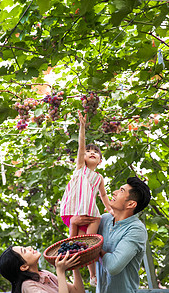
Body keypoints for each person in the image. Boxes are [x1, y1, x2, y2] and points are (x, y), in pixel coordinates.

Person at [70, 176, 151, 293]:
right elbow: (77, 248)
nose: (114, 192)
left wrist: (94, 250)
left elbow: (113, 267)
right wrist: (73, 224)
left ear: (131, 204)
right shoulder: (103, 219)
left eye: (121, 191)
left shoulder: (136, 230)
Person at [60, 110, 112, 286]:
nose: (91, 153)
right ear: (82, 157)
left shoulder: (99, 177)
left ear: (100, 161)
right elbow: (81, 146)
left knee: (87, 241)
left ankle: (92, 275)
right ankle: (75, 267)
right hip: (75, 209)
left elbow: (103, 195)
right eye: (88, 151)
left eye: (95, 153)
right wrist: (82, 127)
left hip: (90, 211)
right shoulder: (80, 168)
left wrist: (110, 208)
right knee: (78, 241)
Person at [0, 245, 85, 293]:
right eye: (24, 250)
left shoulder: (44, 274)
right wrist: (60, 272)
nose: (29, 247)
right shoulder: (28, 286)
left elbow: (77, 291)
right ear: (24, 267)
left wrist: (74, 266)